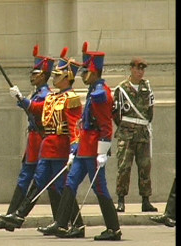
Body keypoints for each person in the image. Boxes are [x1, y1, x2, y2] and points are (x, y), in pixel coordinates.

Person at [0, 47, 85, 238]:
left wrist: (74, 148)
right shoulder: (53, 96)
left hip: (60, 148)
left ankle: (77, 224)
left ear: (67, 78)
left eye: (57, 75)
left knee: (62, 187)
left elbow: (75, 126)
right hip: (47, 148)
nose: (53, 78)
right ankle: (20, 215)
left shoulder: (72, 98)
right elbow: (36, 108)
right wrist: (20, 98)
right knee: (38, 181)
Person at [50, 41, 122, 241]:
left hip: (94, 150)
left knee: (100, 188)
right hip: (84, 148)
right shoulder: (93, 90)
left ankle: (113, 229)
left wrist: (103, 150)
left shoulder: (101, 94)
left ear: (94, 72)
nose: (82, 75)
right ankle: (62, 223)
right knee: (70, 182)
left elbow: (106, 125)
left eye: (85, 71)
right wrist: (75, 149)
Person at [0, 45, 54, 231]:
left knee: (46, 181)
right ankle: (10, 217)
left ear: (43, 75)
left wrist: (22, 98)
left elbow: (38, 109)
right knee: (25, 177)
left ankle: (63, 220)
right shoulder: (36, 93)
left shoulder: (46, 94)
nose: (32, 76)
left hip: (42, 139)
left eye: (35, 73)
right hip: (33, 140)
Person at [112, 57, 157, 213]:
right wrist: (127, 127)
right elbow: (116, 114)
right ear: (131, 69)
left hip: (143, 134)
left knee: (145, 168)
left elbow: (150, 112)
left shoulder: (147, 88)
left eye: (142, 69)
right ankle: (121, 200)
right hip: (126, 134)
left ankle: (146, 200)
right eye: (137, 68)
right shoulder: (121, 89)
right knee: (124, 167)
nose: (140, 72)